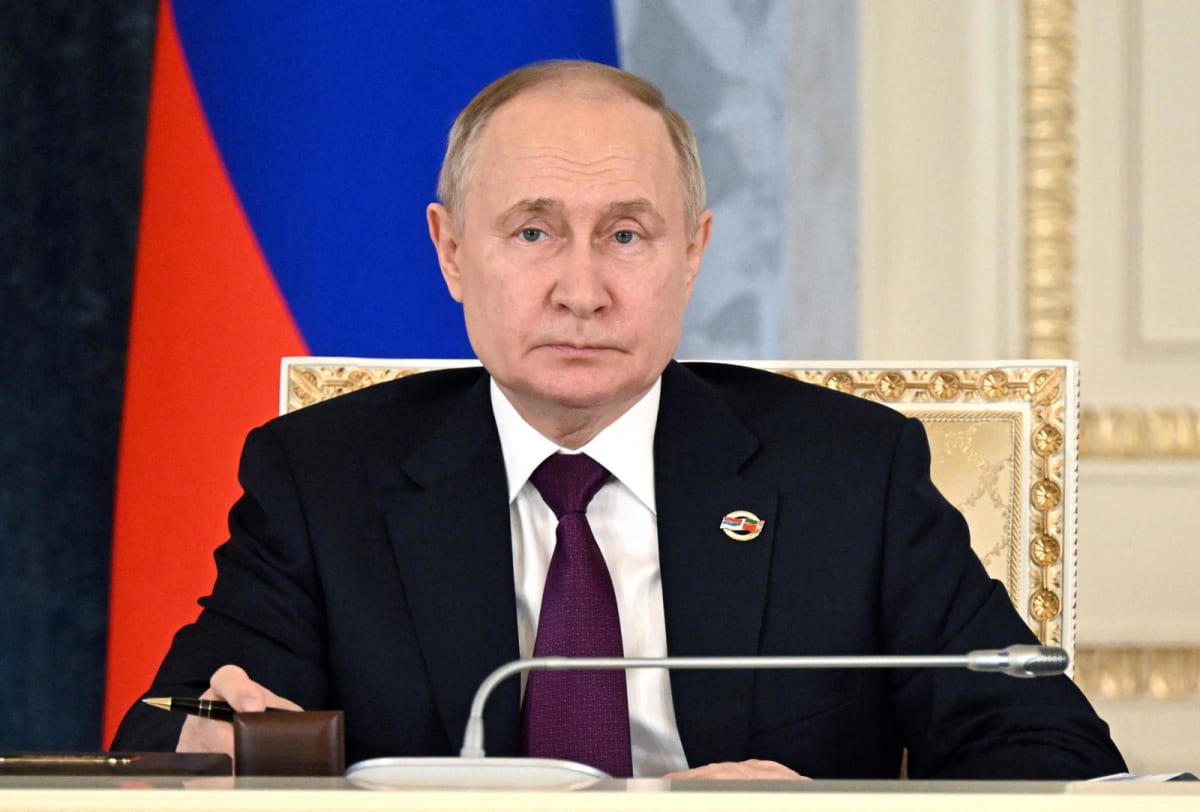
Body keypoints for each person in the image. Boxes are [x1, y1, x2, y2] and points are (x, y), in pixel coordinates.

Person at [112, 60, 1125, 780]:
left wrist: (821, 809)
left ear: (692, 252)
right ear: (453, 251)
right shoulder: (323, 476)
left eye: (628, 234)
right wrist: (213, 737)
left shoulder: (846, 473)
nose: (582, 288)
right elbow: (165, 738)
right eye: (534, 230)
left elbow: (1053, 752)